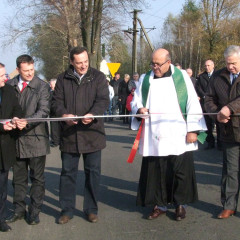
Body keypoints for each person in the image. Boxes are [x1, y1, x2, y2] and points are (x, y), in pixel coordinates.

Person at [131, 48, 206, 221]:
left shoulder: (181, 77)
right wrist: (139, 109)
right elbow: (136, 101)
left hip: (178, 132)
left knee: (180, 170)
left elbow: (192, 102)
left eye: (158, 64)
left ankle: (180, 204)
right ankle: (160, 205)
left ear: (168, 62)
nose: (154, 67)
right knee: (158, 171)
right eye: (152, 63)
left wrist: (193, 130)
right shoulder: (146, 79)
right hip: (155, 133)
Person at [51, 46, 109, 224]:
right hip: (70, 134)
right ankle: (67, 210)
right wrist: (64, 115)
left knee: (93, 173)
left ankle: (91, 209)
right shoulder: (62, 79)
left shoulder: (98, 77)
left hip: (93, 133)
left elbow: (103, 100)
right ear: (71, 62)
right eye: (79, 63)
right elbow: (56, 103)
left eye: (85, 61)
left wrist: (92, 114)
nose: (83, 66)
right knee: (68, 173)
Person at [6, 54, 51, 225]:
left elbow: (44, 111)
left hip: (36, 139)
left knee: (37, 178)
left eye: (32, 70)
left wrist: (26, 122)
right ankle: (18, 210)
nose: (30, 73)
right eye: (26, 71)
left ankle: (34, 211)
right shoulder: (9, 85)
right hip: (15, 140)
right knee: (18, 178)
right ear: (18, 70)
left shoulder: (42, 87)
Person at [205, 45, 240, 219]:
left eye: (234, 63)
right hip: (228, 132)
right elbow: (209, 99)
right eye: (228, 63)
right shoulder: (218, 76)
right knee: (230, 171)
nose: (230, 67)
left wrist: (229, 108)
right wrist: (216, 114)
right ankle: (229, 205)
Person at [0, 63, 27, 232]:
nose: (6, 78)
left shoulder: (9, 91)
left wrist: (17, 118)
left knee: (2, 188)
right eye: (2, 75)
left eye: (5, 74)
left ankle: (0, 219)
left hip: (4, 150)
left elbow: (18, 109)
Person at [195, 60, 216, 149]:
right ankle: (210, 142)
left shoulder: (218, 75)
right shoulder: (201, 77)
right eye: (205, 66)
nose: (207, 67)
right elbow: (198, 88)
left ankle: (221, 144)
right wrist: (204, 96)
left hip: (217, 103)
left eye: (209, 65)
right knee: (208, 124)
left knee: (219, 124)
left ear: (213, 66)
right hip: (205, 104)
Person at [49, 78, 60, 147]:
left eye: (51, 85)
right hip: (54, 113)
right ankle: (56, 140)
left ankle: (55, 141)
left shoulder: (55, 93)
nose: (50, 86)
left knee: (55, 128)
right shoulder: (51, 92)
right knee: (55, 128)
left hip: (55, 113)